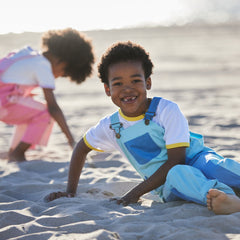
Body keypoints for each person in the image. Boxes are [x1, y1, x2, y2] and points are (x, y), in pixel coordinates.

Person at [46, 41, 240, 215]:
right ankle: (226, 199)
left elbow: (176, 159)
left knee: (214, 165)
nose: (127, 88)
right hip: (168, 183)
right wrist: (70, 191)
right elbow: (81, 148)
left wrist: (134, 194)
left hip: (195, 159)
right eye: (118, 83)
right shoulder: (111, 127)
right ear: (107, 89)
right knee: (180, 174)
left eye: (135, 80)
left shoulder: (166, 110)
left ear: (148, 82)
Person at [0, 28, 95, 162]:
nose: (57, 77)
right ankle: (17, 153)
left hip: (4, 100)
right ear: (62, 62)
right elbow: (53, 108)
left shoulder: (29, 54)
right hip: (3, 105)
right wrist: (71, 140)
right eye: (63, 73)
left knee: (33, 109)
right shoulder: (43, 66)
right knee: (45, 113)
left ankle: (14, 150)